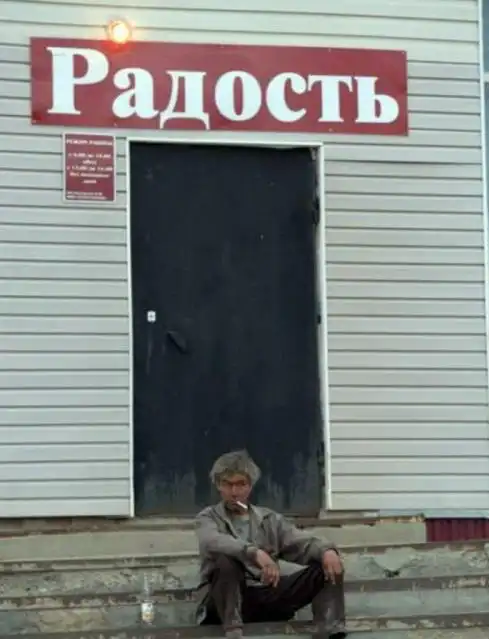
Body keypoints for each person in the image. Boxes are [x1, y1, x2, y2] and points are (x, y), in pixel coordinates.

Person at [195, 450, 346, 639]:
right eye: (228, 484)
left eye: (241, 484)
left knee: (326, 563)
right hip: (223, 602)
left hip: (263, 594)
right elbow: (212, 541)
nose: (234, 492)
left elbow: (301, 542)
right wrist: (253, 553)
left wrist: (326, 551)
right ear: (218, 485)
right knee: (225, 561)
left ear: (250, 486)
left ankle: (330, 629)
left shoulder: (269, 519)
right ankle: (233, 631)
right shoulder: (208, 517)